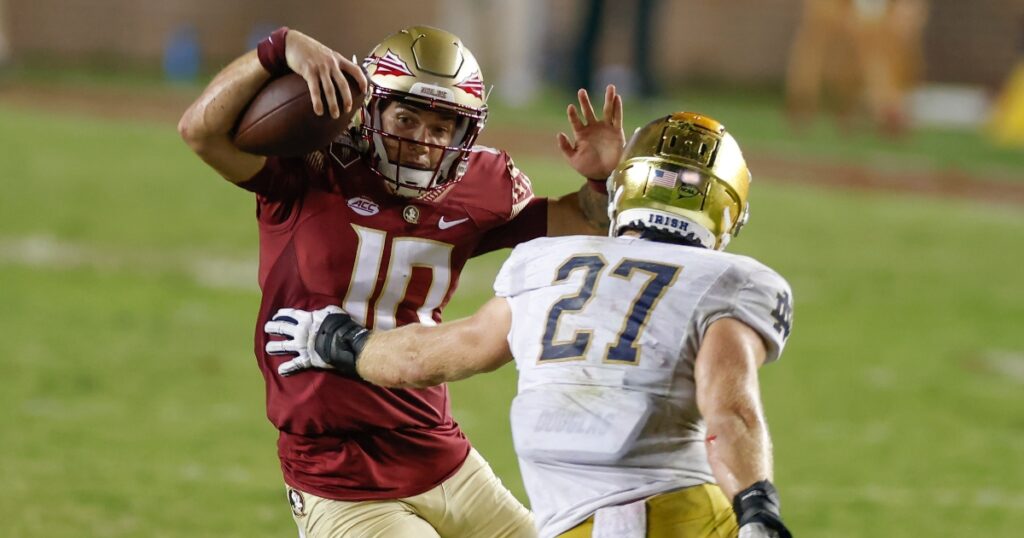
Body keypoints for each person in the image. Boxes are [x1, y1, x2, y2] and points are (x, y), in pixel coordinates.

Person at [178, 24, 625, 538]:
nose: (421, 142)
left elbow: (587, 222)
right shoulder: (314, 167)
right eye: (406, 119)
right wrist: (277, 50)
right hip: (338, 470)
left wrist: (600, 181)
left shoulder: (480, 187)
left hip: (441, 453)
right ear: (371, 110)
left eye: (441, 129)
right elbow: (200, 131)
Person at [268, 112, 795, 538]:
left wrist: (341, 343)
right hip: (682, 511)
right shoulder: (731, 280)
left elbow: (439, 352)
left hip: (573, 524)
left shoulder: (545, 263)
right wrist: (758, 508)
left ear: (626, 187)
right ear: (729, 210)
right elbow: (731, 411)